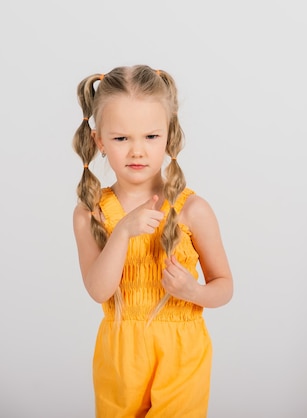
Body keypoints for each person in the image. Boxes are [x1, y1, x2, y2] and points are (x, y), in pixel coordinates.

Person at [71, 64, 233, 417]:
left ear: (169, 135)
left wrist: (194, 292)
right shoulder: (90, 213)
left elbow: (224, 286)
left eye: (150, 136)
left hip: (181, 352)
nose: (137, 151)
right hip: (120, 357)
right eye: (120, 138)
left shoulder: (193, 209)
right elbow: (99, 290)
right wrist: (123, 232)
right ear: (99, 141)